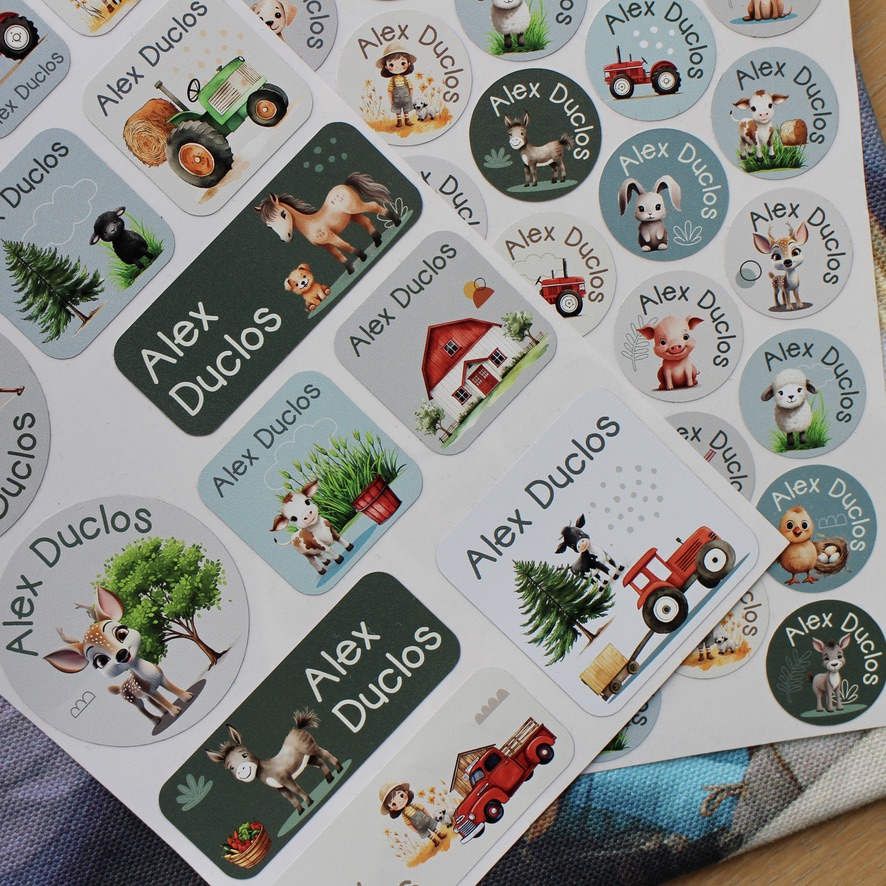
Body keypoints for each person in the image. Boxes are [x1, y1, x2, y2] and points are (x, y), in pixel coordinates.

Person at [377, 42, 417, 128]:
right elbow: (390, 90)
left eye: (402, 63)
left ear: (408, 63)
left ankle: (407, 119)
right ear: (386, 66)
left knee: (406, 109)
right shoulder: (392, 80)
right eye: (391, 64)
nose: (398, 67)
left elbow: (411, 88)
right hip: (396, 99)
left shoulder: (406, 79)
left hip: (406, 98)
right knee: (397, 110)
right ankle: (399, 121)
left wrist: (411, 97)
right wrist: (390, 100)